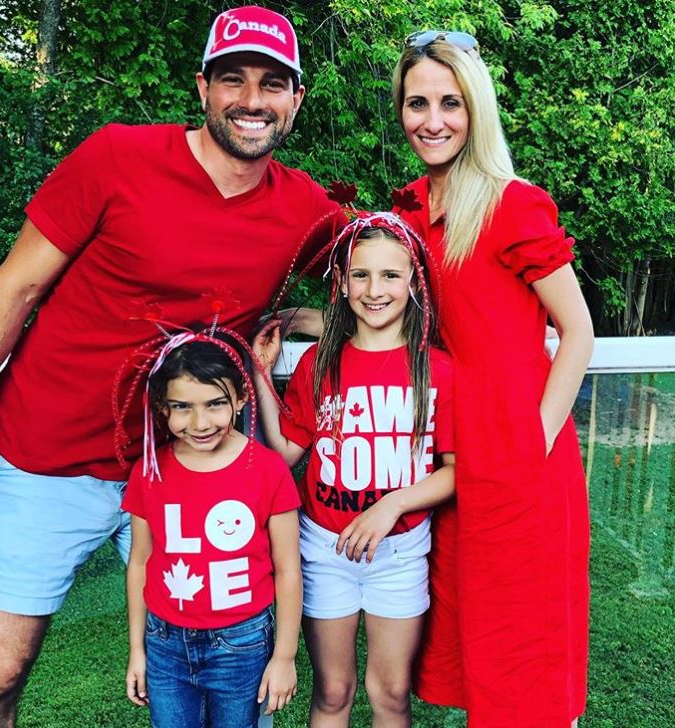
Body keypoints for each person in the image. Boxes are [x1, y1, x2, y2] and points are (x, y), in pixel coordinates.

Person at [0, 6, 336, 726]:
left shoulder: (305, 211)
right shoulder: (116, 158)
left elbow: (383, 291)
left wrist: (295, 323)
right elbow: (17, 286)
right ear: (203, 88)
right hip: (48, 453)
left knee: (228, 668)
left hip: (189, 463)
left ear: (295, 100)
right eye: (233, 79)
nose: (252, 100)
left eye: (272, 83)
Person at [392, 30, 594, 728]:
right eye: (418, 103)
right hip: (452, 450)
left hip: (518, 451)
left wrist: (530, 444)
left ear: (475, 110)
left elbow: (579, 333)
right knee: (477, 645)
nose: (433, 119)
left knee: (527, 653)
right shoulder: (414, 209)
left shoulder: (512, 203)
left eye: (451, 102)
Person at [253, 212, 457, 728]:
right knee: (333, 691)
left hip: (400, 554)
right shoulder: (319, 362)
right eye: (361, 275)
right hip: (325, 551)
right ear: (342, 284)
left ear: (413, 282)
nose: (375, 289)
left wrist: (393, 504)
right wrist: (259, 371)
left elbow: (456, 471)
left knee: (389, 692)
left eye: (391, 275)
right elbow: (287, 449)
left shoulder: (437, 369)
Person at [122, 326, 301, 727]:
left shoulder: (268, 469)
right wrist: (138, 649)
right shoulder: (149, 471)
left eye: (215, 403)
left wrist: (285, 656)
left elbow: (288, 569)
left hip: (242, 643)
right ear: (162, 407)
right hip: (165, 643)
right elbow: (139, 563)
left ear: (240, 398)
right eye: (182, 406)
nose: (200, 422)